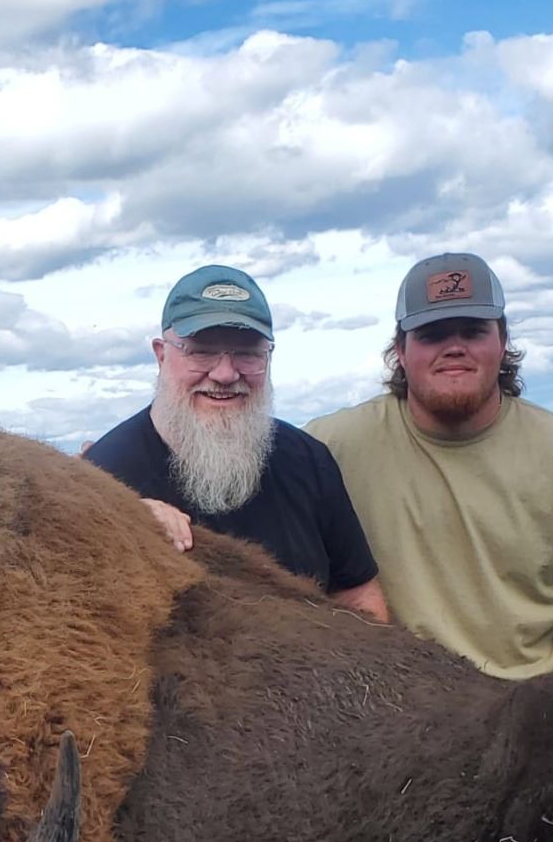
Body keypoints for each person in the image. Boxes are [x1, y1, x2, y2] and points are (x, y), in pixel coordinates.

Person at [308, 251, 553, 722]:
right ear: (401, 350)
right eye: (432, 334)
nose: (454, 347)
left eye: (473, 331)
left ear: (502, 342)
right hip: (403, 695)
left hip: (551, 677)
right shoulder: (328, 448)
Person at [84, 264, 388, 618]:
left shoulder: (308, 460)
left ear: (268, 357)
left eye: (247, 353)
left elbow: (357, 593)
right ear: (161, 354)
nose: (226, 374)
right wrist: (125, 519)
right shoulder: (103, 480)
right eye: (201, 351)